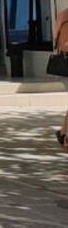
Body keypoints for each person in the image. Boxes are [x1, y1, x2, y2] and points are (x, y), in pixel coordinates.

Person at [53, 8, 68, 148]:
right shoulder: (65, 18)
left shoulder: (63, 15)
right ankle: (64, 135)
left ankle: (63, 133)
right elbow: (63, 43)